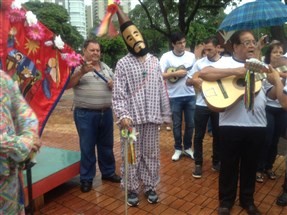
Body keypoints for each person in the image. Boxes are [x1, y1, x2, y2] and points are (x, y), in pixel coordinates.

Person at [199, 30, 283, 215]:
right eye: (246, 42)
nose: (252, 45)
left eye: (253, 42)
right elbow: (203, 73)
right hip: (231, 124)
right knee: (228, 165)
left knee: (250, 166)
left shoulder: (262, 67)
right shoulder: (226, 62)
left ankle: (248, 201)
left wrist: (277, 83)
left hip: (258, 124)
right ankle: (226, 202)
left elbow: (270, 95)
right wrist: (237, 71)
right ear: (235, 46)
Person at [112, 5, 171, 207]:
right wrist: (123, 115)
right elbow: (118, 93)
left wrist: (165, 114)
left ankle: (150, 186)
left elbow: (162, 89)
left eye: (136, 35)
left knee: (151, 153)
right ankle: (131, 188)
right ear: (126, 42)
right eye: (129, 38)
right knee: (130, 155)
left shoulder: (155, 61)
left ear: (141, 35)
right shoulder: (122, 64)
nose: (135, 40)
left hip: (152, 117)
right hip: (131, 120)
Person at [66, 39, 121, 193]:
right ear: (84, 51)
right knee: (87, 147)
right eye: (92, 50)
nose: (96, 52)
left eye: (97, 50)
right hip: (85, 114)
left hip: (106, 113)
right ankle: (87, 178)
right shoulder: (77, 67)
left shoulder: (105, 67)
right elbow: (67, 85)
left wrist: (113, 84)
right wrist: (82, 72)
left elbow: (117, 85)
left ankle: (108, 172)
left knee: (106, 146)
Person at [0, 70, 41, 214]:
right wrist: (22, 144)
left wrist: (29, 135)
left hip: (9, 176)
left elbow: (24, 111)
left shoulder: (3, 78)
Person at [186, 36, 223, 178]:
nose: (207, 52)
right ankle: (198, 163)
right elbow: (188, 82)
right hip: (202, 104)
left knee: (218, 135)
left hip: (220, 103)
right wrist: (196, 81)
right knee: (199, 135)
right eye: (205, 50)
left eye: (210, 49)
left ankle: (216, 162)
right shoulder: (199, 63)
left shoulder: (225, 63)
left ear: (218, 47)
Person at [159, 31, 196, 161]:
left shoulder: (191, 56)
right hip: (175, 96)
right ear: (173, 44)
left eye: (184, 42)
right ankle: (177, 148)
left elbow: (196, 73)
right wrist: (176, 74)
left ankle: (187, 147)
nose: (182, 45)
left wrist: (191, 78)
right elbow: (159, 74)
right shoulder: (166, 57)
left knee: (191, 124)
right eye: (179, 43)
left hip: (191, 94)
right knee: (176, 125)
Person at [256, 41, 287, 183]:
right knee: (266, 140)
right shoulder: (266, 69)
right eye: (275, 52)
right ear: (269, 55)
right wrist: (280, 79)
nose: (278, 55)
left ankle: (269, 167)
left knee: (275, 141)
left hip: (282, 110)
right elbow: (272, 94)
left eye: (281, 52)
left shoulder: (285, 68)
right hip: (268, 108)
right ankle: (259, 168)